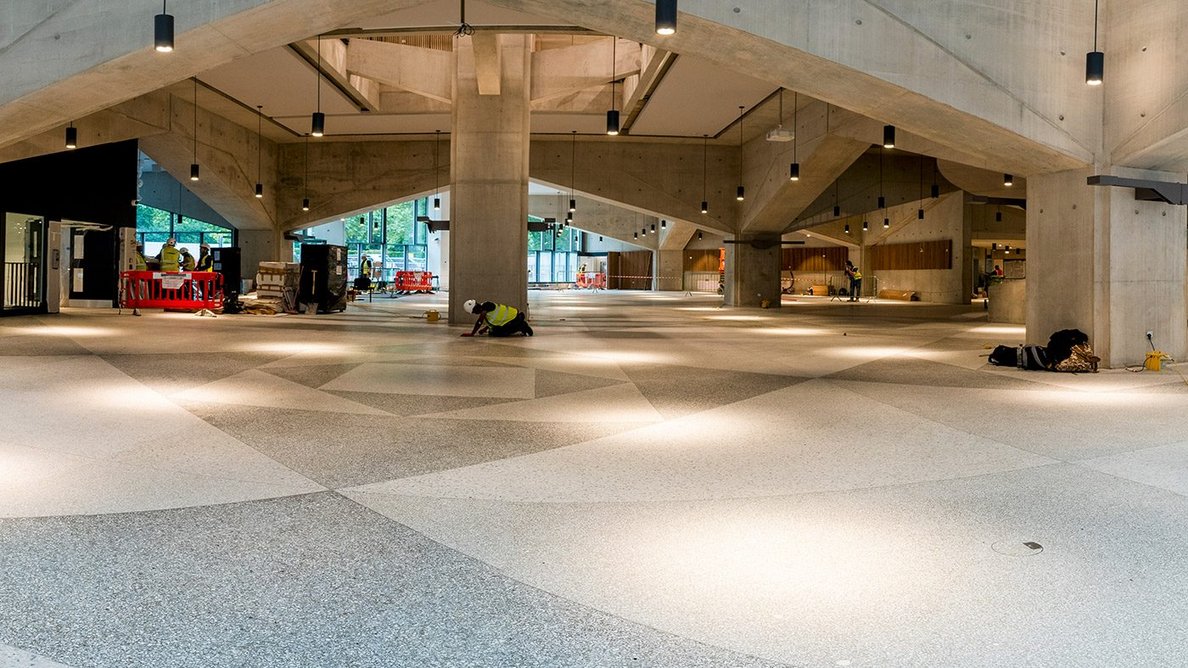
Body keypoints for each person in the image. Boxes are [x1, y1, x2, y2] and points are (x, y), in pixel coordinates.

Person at [461, 299, 533, 337]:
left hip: (516, 318)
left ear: (476, 308)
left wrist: (472, 333)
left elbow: (479, 322)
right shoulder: (484, 311)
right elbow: (496, 320)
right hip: (509, 321)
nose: (475, 313)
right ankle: (519, 326)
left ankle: (522, 326)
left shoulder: (487, 305)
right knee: (493, 332)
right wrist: (485, 329)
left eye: (474, 312)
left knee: (500, 333)